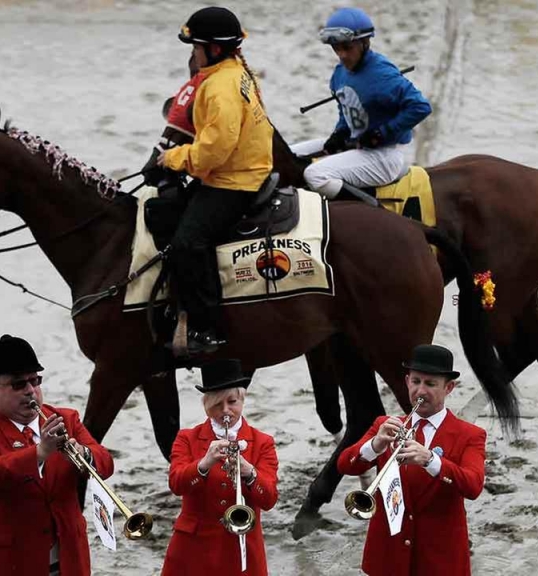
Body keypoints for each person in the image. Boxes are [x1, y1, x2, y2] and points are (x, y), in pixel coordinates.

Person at [154, 6, 274, 356]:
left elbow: (214, 150)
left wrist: (173, 158)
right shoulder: (235, 70)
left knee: (187, 243)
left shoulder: (219, 87)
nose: (192, 54)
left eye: (195, 48)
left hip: (234, 181)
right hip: (243, 168)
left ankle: (207, 330)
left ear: (214, 49)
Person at [0, 334, 114, 576]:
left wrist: (84, 453)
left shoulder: (66, 418)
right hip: (9, 561)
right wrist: (40, 452)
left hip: (68, 557)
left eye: (35, 380)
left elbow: (105, 462)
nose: (30, 391)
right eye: (18, 384)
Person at [337, 344, 486, 576]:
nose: (421, 391)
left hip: (439, 559)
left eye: (430, 384)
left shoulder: (470, 435)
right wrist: (375, 444)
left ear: (449, 388)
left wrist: (431, 460)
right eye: (416, 382)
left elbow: (473, 485)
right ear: (407, 381)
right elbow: (345, 464)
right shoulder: (384, 424)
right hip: (388, 556)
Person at [291, 7, 432, 201]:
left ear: (365, 42)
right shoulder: (339, 73)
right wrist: (340, 133)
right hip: (361, 148)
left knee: (315, 175)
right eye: (336, 48)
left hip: (387, 155)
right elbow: (346, 108)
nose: (341, 54)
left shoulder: (383, 74)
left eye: (347, 47)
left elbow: (420, 107)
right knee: (289, 154)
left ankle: (371, 207)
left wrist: (382, 133)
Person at [161, 359, 279, 576]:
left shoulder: (263, 442)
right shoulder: (187, 438)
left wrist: (250, 473)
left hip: (241, 549)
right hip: (192, 549)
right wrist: (204, 464)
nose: (225, 410)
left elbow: (269, 499)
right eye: (217, 404)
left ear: (242, 400)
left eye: (232, 402)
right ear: (207, 406)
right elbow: (176, 484)